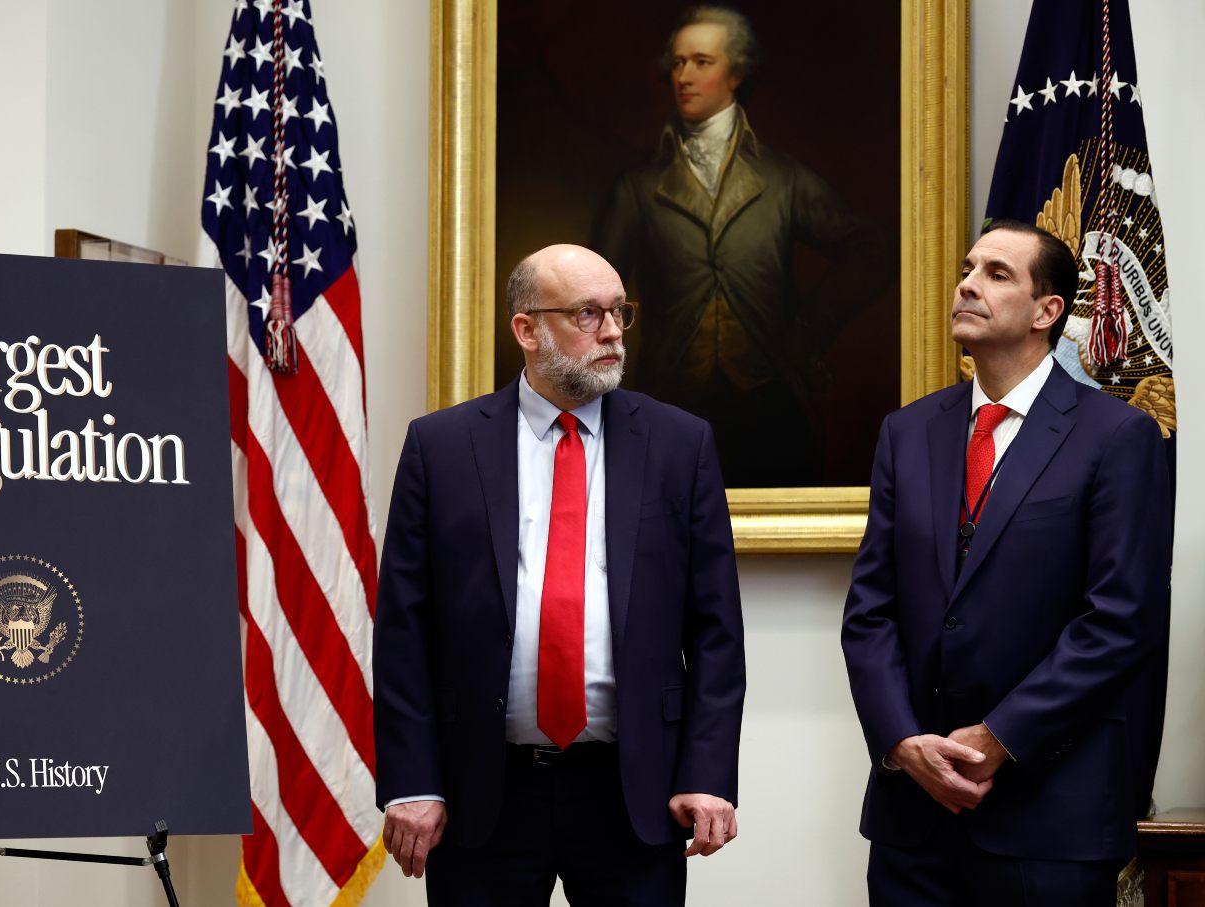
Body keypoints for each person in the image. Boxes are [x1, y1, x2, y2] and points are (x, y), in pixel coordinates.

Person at [373, 244, 746, 905]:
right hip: (483, 790)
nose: (611, 332)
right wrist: (412, 780)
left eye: (618, 312)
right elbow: (404, 627)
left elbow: (716, 629)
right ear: (526, 328)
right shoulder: (443, 447)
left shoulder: (679, 445)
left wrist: (708, 771)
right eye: (587, 313)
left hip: (632, 790)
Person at [840, 220, 1173, 905]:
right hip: (914, 822)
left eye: (997, 273)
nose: (967, 283)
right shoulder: (907, 432)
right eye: (967, 268)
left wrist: (998, 737)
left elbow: (1119, 620)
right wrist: (903, 742)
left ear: (1048, 311)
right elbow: (869, 613)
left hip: (1050, 816)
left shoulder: (1118, 436)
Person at [593, 4, 893, 487]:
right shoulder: (636, 188)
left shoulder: (782, 179)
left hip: (772, 407)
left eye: (701, 62)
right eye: (677, 62)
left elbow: (872, 250)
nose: (684, 76)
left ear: (735, 75)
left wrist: (808, 331)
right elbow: (590, 296)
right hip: (667, 403)